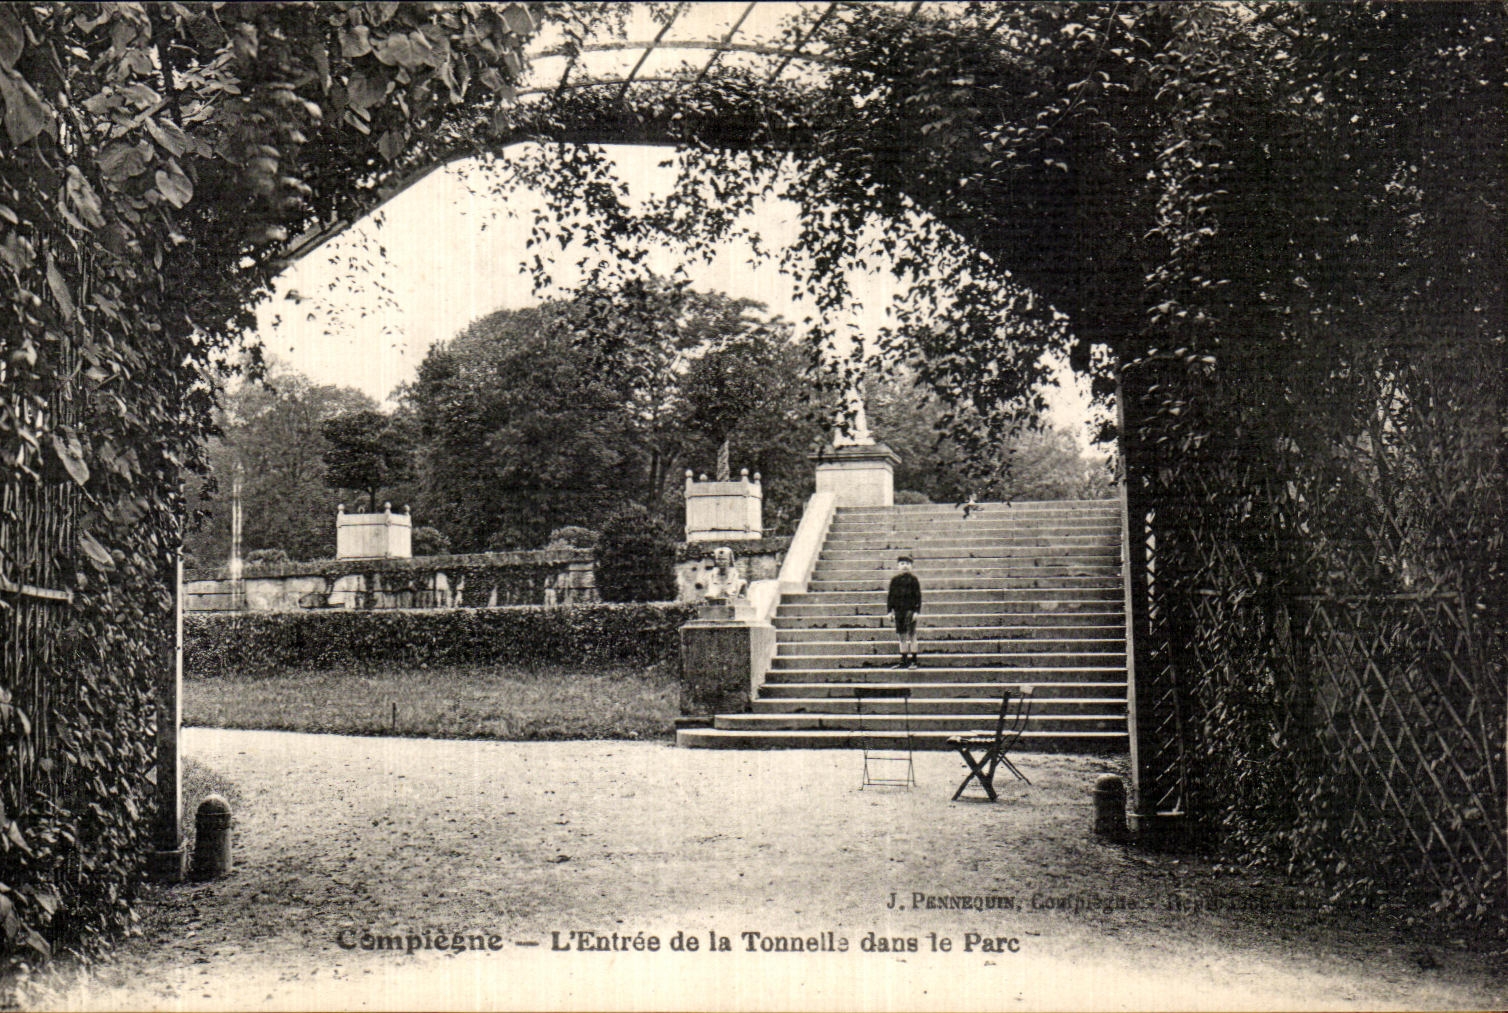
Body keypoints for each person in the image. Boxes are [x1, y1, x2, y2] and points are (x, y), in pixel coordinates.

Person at [885, 554, 922, 669]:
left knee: (911, 634)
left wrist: (916, 611)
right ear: (898, 566)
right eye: (902, 564)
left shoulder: (913, 580)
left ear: (911, 566)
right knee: (901, 635)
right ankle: (904, 660)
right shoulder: (894, 581)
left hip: (910, 610)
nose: (904, 566)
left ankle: (914, 660)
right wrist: (889, 611)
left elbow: (918, 597)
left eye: (907, 564)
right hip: (898, 611)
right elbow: (890, 597)